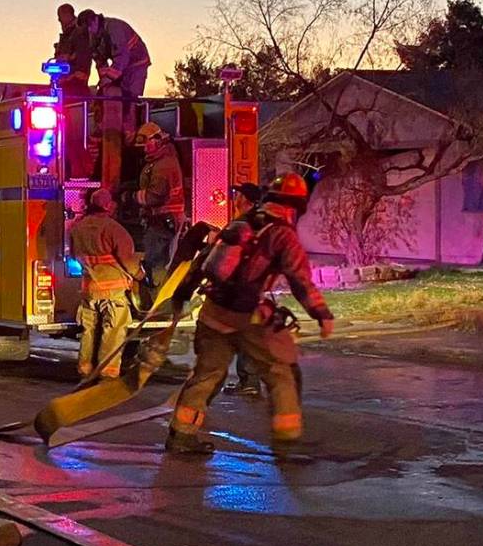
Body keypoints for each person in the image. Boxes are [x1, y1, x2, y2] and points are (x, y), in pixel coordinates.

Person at [165, 173, 334, 455]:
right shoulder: (283, 234)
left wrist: (181, 295)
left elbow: (203, 262)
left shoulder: (239, 223)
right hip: (247, 318)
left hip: (212, 312)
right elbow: (300, 279)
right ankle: (287, 443)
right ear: (297, 206)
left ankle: (181, 436)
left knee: (207, 375)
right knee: (280, 372)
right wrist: (321, 314)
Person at [69, 188, 144, 379]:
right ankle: (108, 372)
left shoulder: (78, 228)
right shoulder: (114, 229)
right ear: (108, 206)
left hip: (89, 289)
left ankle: (85, 368)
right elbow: (127, 260)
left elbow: (74, 255)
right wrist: (140, 275)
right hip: (113, 292)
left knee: (90, 329)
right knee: (114, 329)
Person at [128, 122, 185, 297]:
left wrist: (129, 197)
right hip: (160, 221)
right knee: (154, 260)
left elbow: (154, 196)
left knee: (156, 263)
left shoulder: (164, 165)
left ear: (158, 140)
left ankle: (158, 298)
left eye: (147, 144)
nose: (145, 149)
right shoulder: (158, 161)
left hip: (163, 222)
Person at [223, 183, 264, 397]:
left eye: (236, 194)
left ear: (245, 200)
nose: (233, 197)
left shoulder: (242, 224)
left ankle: (250, 381)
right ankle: (249, 381)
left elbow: (224, 254)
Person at [76, 9, 150, 101]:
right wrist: (104, 81)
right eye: (86, 30)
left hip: (138, 63)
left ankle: (133, 112)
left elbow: (122, 56)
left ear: (95, 19)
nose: (90, 31)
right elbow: (100, 60)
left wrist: (109, 78)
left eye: (90, 27)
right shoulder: (94, 36)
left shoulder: (114, 28)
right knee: (114, 94)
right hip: (121, 65)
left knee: (130, 97)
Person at [53, 3, 93, 97]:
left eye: (60, 16)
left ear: (67, 15)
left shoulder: (79, 33)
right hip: (65, 83)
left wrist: (74, 77)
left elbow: (83, 57)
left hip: (74, 86)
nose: (59, 20)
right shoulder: (68, 35)